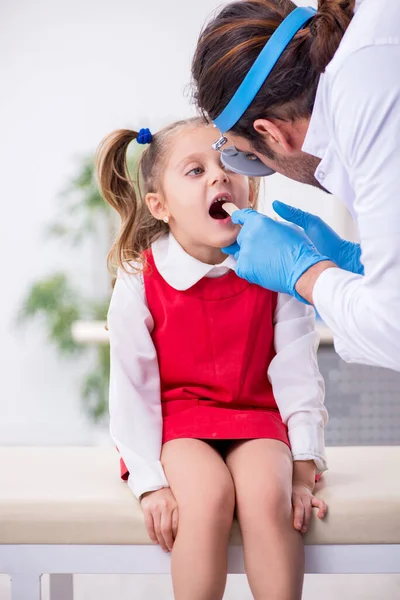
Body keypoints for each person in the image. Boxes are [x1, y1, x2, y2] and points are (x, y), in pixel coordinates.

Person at [96, 117, 327, 600]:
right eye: (195, 171)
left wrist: (304, 464)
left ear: (251, 189)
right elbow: (132, 391)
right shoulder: (141, 279)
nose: (219, 176)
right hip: (181, 424)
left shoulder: (275, 267)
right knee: (207, 497)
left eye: (228, 164)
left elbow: (296, 370)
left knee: (269, 497)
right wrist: (150, 483)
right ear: (160, 207)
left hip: (258, 419)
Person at [191, 0, 400, 372]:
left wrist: (305, 274)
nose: (220, 177)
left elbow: (393, 328)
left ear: (270, 132)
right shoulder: (363, 65)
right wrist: (357, 264)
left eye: (246, 158)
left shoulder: (365, 95)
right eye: (193, 171)